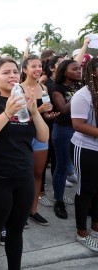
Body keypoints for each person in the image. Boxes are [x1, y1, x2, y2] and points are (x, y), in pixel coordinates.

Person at [0, 58, 48, 270]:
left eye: (15, 71)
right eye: (6, 72)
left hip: (23, 177)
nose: (13, 75)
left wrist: (33, 111)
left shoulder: (25, 101)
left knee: (16, 232)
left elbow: (43, 137)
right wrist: (7, 113)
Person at [20, 55, 57, 227]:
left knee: (37, 174)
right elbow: (16, 117)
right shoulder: (17, 90)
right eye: (33, 66)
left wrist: (48, 114)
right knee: (22, 175)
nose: (37, 69)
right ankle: (19, 212)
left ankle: (33, 210)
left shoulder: (43, 88)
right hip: (22, 137)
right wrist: (37, 110)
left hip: (41, 136)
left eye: (39, 66)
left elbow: (44, 113)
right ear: (25, 69)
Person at [70, 58, 98, 252]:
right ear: (94, 72)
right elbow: (78, 125)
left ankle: (96, 228)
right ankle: (81, 232)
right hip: (86, 148)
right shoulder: (83, 95)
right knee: (86, 190)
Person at [51, 59, 82, 219]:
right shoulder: (58, 88)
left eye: (80, 68)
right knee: (62, 167)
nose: (79, 71)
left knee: (79, 165)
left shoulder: (79, 86)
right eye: (75, 69)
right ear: (64, 72)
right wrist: (78, 96)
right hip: (64, 130)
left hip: (81, 129)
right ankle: (59, 201)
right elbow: (62, 109)